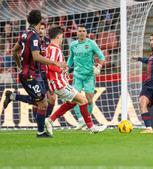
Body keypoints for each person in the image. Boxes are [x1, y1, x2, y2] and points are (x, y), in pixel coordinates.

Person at [3, 10, 66, 138]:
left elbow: (15, 51)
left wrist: (20, 66)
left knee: (43, 101)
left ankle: (13, 97)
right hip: (30, 76)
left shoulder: (25, 34)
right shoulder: (34, 37)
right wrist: (55, 63)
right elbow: (36, 57)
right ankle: (41, 132)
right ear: (40, 20)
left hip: (34, 74)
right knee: (43, 103)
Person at [44, 26, 106, 136]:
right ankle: (91, 126)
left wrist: (63, 69)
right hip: (59, 82)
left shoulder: (50, 48)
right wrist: (62, 68)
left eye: (83, 31)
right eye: (62, 37)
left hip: (64, 81)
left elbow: (52, 65)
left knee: (74, 102)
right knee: (83, 100)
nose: (62, 39)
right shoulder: (54, 49)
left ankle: (50, 120)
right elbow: (51, 66)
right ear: (58, 36)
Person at [67, 25, 105, 130]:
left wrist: (99, 66)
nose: (82, 33)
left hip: (89, 76)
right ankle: (80, 121)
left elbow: (101, 57)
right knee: (74, 98)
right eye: (80, 31)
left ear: (86, 32)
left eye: (84, 31)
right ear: (77, 33)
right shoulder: (73, 45)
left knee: (89, 99)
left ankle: (88, 120)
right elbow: (70, 59)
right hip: (77, 75)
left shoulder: (91, 43)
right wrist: (66, 69)